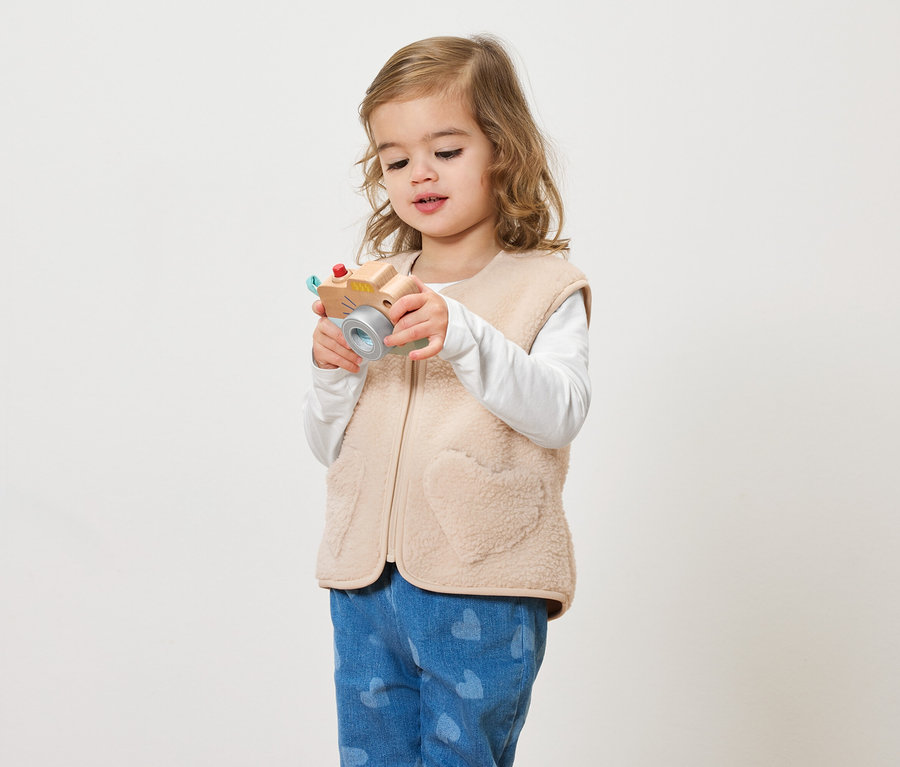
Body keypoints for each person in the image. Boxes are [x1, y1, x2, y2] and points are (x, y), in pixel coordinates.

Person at [303, 34, 591, 767]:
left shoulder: (544, 286)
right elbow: (326, 443)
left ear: (503, 149)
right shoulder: (374, 284)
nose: (418, 173)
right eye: (396, 160)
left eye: (447, 150)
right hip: (366, 583)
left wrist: (461, 331)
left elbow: (561, 411)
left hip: (482, 577)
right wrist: (334, 371)